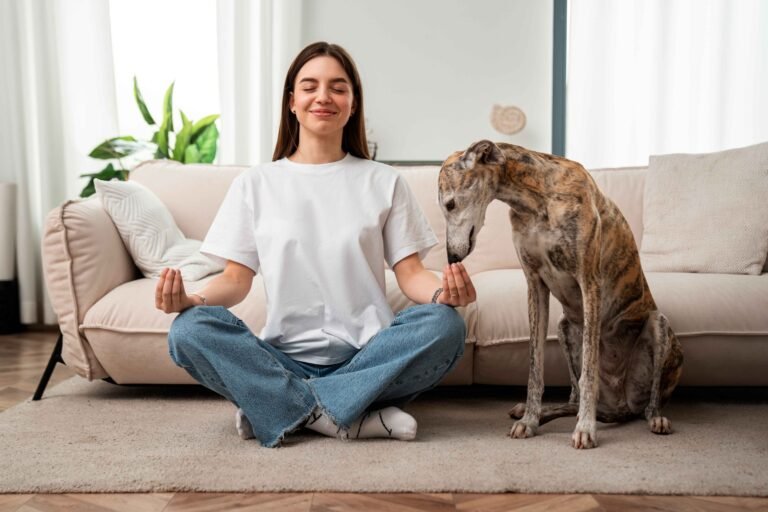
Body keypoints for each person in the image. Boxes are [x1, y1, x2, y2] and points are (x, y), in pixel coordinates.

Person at [156, 41, 476, 448]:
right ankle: (349, 415)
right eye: (310, 87)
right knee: (189, 330)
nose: (323, 97)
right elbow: (235, 281)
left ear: (353, 104)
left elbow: (410, 274)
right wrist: (193, 298)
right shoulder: (256, 184)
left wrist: (442, 292)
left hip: (368, 358)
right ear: (292, 102)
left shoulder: (384, 181)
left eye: (338, 88)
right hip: (282, 360)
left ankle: (281, 407)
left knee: (445, 323)